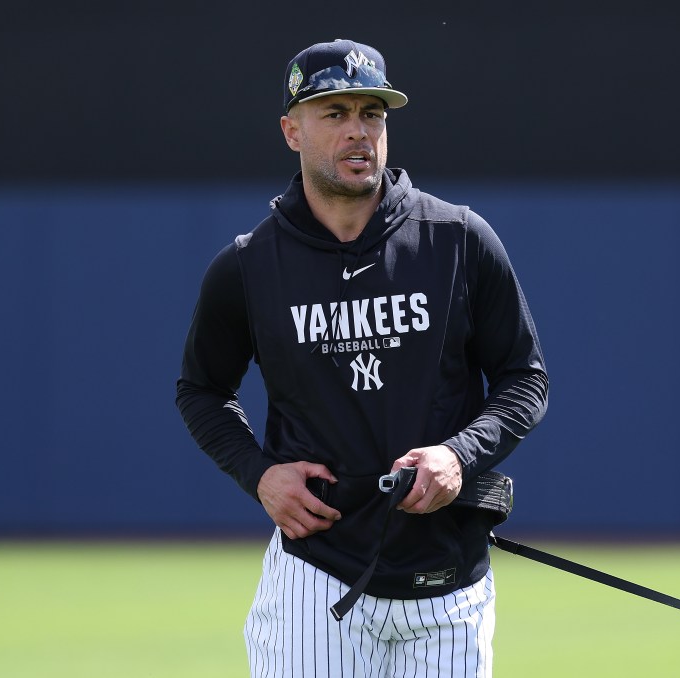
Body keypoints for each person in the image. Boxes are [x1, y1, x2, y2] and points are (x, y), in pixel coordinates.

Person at [176, 38, 548, 677]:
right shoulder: (248, 266)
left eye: (372, 113)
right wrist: (259, 475)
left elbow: (524, 379)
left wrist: (457, 456)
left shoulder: (458, 239)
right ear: (292, 131)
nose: (359, 131)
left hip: (448, 587)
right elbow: (202, 389)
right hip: (314, 579)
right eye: (335, 113)